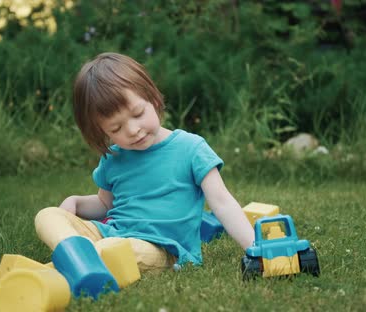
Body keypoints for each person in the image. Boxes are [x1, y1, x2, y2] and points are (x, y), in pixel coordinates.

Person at [35, 52, 254, 272]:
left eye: (138, 113)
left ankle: (69, 264)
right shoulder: (114, 157)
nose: (132, 130)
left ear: (154, 99)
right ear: (102, 132)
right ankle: (80, 259)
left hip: (162, 248)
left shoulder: (192, 149)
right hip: (112, 234)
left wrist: (255, 249)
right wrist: (76, 202)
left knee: (113, 249)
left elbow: (222, 203)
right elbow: (105, 205)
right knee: (47, 216)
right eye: (116, 128)